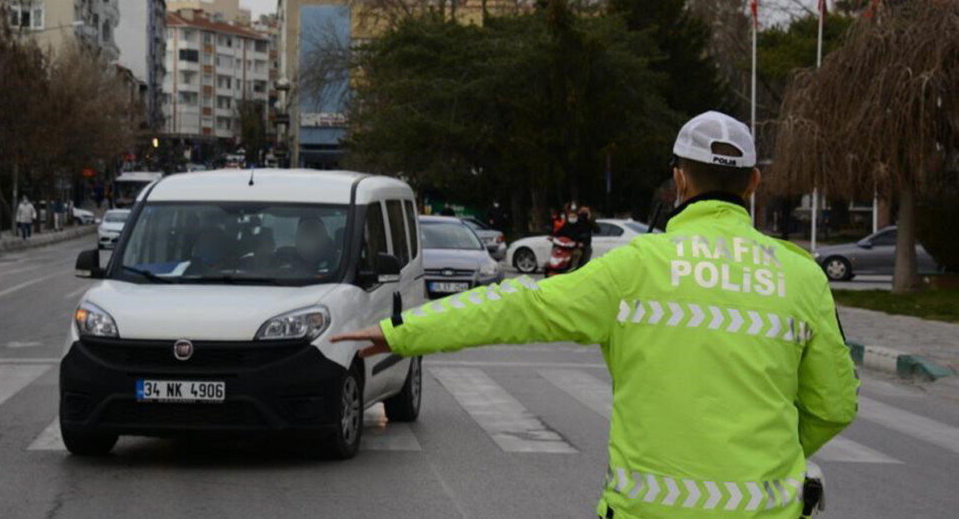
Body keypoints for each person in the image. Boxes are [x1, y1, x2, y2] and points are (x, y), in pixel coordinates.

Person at [332, 111, 858, 519]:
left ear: (679, 181)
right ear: (754, 183)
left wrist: (400, 332)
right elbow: (834, 405)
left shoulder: (636, 267)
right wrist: (762, 459)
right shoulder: (801, 276)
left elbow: (520, 306)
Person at [556, 202, 594, 268]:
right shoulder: (566, 225)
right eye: (570, 214)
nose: (572, 216)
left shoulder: (582, 223)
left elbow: (588, 233)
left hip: (580, 247)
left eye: (574, 215)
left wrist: (589, 216)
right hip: (567, 247)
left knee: (578, 258)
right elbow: (559, 233)